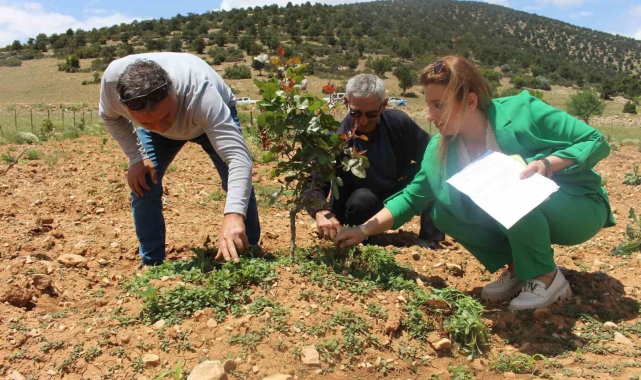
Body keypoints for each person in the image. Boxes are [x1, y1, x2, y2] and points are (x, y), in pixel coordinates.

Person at [335, 56, 615, 310]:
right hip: (527, 212)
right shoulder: (441, 148)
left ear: (470, 101)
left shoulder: (522, 111)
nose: (430, 116)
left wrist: (547, 164)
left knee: (509, 187)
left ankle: (547, 277)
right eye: (429, 104)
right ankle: (521, 267)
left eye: (439, 105)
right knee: (442, 211)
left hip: (576, 206)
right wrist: (362, 230)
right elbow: (411, 198)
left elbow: (596, 140)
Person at [99, 52, 261, 267]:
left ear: (174, 90)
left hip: (204, 121)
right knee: (143, 183)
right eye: (147, 122)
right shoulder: (112, 85)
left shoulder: (200, 93)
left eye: (166, 116)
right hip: (162, 135)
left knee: (235, 180)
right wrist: (136, 157)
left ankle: (247, 249)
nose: (161, 127)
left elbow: (238, 158)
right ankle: (152, 262)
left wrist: (233, 214)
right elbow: (110, 117)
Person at [309, 74, 444, 247]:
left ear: (384, 105)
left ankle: (430, 239)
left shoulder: (399, 123)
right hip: (358, 204)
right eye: (355, 113)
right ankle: (362, 238)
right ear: (346, 102)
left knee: (434, 172)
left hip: (394, 189)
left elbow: (433, 157)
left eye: (371, 114)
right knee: (363, 200)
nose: (363, 121)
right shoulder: (335, 139)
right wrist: (322, 212)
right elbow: (313, 185)